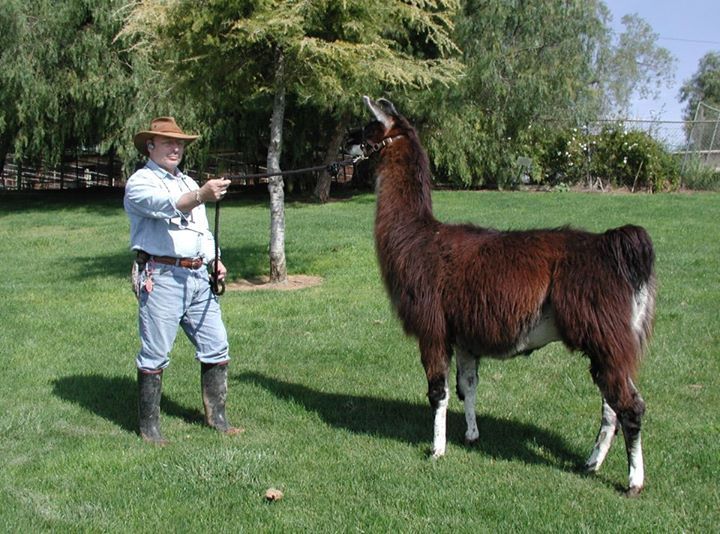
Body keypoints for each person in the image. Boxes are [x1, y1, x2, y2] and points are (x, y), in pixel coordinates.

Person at [124, 116, 240, 445]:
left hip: (197, 277)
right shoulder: (141, 183)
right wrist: (201, 195)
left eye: (180, 143)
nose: (176, 148)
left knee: (217, 346)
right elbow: (167, 207)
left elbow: (200, 231)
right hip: (161, 277)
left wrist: (214, 259)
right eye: (168, 142)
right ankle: (150, 429)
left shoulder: (188, 181)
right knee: (155, 353)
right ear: (150, 146)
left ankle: (217, 419)